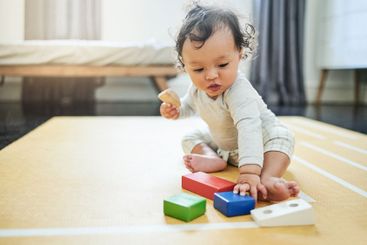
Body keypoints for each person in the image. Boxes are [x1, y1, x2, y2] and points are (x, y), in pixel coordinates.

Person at [160, 3, 299, 202]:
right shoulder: (197, 89)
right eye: (198, 69)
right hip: (227, 147)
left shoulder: (239, 91)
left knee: (282, 137)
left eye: (223, 65)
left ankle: (268, 178)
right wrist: (176, 110)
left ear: (239, 55)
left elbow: (249, 128)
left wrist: (249, 172)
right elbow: (188, 107)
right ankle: (212, 159)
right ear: (185, 65)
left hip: (260, 139)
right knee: (190, 137)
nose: (211, 76)